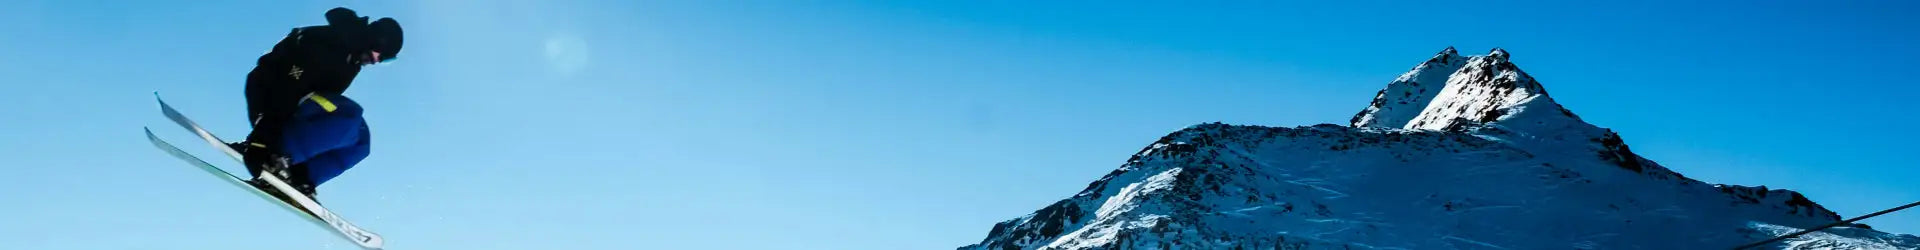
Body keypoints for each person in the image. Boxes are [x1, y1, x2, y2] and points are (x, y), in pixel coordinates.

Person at [229, 7, 402, 202]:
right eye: (384, 56)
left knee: (361, 140)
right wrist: (261, 139)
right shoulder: (327, 45)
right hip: (269, 95)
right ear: (376, 41)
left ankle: (300, 177)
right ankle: (277, 156)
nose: (378, 62)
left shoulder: (352, 61)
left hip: (293, 107)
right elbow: (285, 88)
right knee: (350, 115)